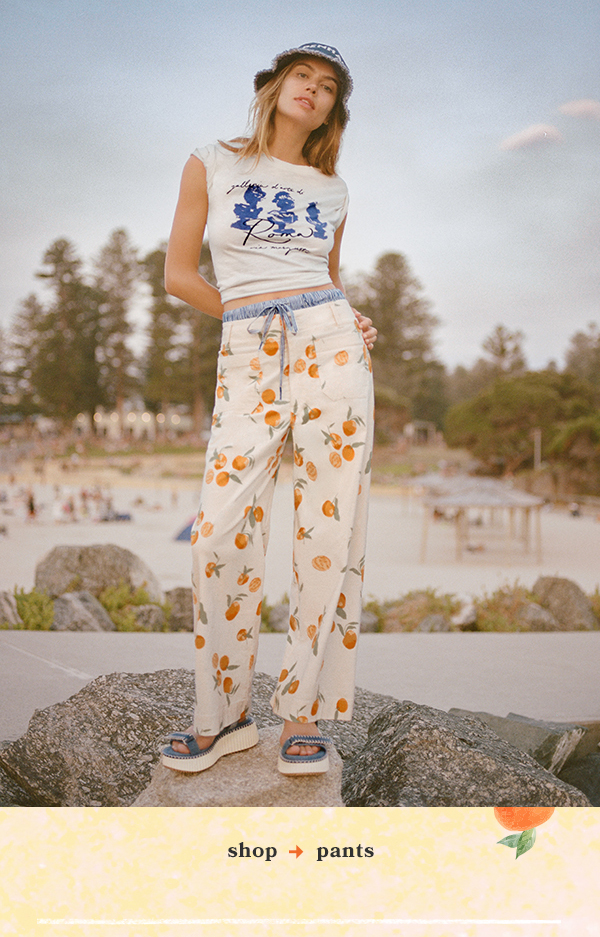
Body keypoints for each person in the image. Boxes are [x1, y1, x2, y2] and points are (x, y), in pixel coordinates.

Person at [161, 42, 377, 776]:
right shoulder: (211, 161)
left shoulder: (333, 190)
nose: (312, 91)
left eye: (327, 87)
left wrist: (352, 322)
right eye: (302, 78)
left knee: (326, 531)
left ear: (332, 111)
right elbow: (179, 275)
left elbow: (329, 279)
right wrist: (255, 321)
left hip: (333, 351)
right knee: (215, 533)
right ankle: (221, 718)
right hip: (248, 352)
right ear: (276, 85)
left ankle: (302, 715)